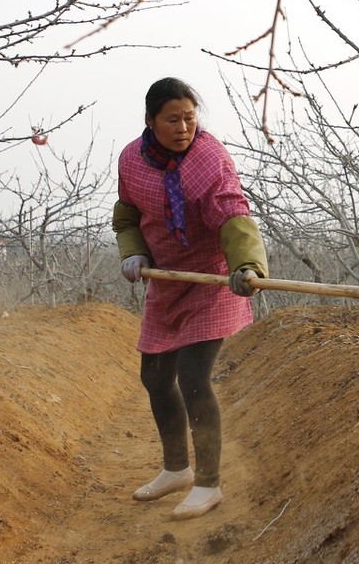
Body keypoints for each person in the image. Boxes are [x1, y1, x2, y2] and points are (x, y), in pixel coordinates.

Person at [112, 77, 268, 520]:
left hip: (215, 280)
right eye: (173, 119)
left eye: (190, 117)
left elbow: (233, 214)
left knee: (193, 376)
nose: (184, 127)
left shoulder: (209, 156)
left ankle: (208, 483)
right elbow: (126, 216)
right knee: (155, 377)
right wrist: (134, 251)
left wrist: (248, 267)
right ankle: (176, 468)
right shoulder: (131, 160)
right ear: (150, 121)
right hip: (167, 281)